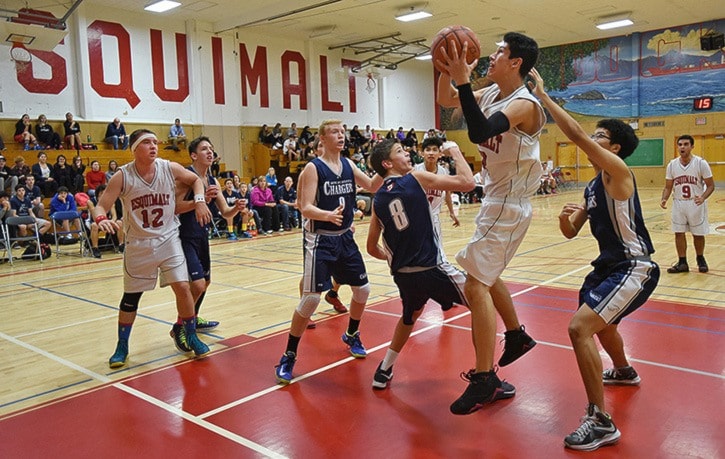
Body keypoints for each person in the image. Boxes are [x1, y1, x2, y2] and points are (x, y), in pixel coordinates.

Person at [530, 67, 661, 451]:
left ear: (614, 148)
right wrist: (563, 218)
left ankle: (601, 421)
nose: (592, 139)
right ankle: (623, 369)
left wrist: (544, 96)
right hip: (608, 267)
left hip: (635, 266)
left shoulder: (618, 172)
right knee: (602, 326)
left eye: (599, 136)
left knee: (578, 329)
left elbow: (574, 133)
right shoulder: (592, 186)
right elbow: (571, 232)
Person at [436, 32, 543, 413]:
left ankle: (484, 378)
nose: (492, 56)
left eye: (499, 52)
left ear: (515, 63)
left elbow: (480, 131)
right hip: (494, 201)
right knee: (487, 272)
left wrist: (464, 79)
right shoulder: (491, 94)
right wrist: (446, 66)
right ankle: (515, 336)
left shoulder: (523, 105)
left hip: (510, 204)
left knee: (474, 283)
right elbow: (447, 99)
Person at [366, 139, 508, 397]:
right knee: (482, 301)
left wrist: (396, 258)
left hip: (403, 275)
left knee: (410, 317)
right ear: (387, 164)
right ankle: (484, 378)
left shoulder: (377, 200)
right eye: (400, 151)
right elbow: (466, 183)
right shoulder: (416, 178)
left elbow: (371, 248)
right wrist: (454, 149)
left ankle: (384, 368)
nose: (406, 152)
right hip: (432, 269)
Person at [91, 129, 212, 368]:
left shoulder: (168, 167)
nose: (153, 146)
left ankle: (191, 335)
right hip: (138, 244)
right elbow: (100, 206)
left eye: (155, 142)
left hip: (168, 239)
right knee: (131, 298)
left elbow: (195, 180)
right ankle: (122, 345)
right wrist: (101, 219)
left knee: (183, 288)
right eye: (147, 142)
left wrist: (199, 201)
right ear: (134, 148)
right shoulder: (122, 176)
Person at [274, 119, 382, 385]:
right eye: (335, 131)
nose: (341, 135)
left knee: (363, 290)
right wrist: (327, 215)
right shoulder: (313, 168)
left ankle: (352, 334)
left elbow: (371, 185)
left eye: (343, 131)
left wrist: (385, 164)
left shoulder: (348, 164)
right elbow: (305, 207)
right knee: (310, 300)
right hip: (319, 239)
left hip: (344, 238)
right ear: (322, 138)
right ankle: (289, 355)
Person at [169, 136, 246, 352]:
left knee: (206, 282)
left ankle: (191, 318)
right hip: (185, 237)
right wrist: (198, 202)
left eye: (211, 149)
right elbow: (173, 207)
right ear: (194, 155)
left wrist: (237, 207)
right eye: (204, 149)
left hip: (203, 237)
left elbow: (225, 212)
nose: (210, 152)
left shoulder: (212, 181)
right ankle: (180, 326)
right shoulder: (186, 178)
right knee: (198, 285)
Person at [660, 134, 714, 274]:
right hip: (679, 203)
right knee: (678, 233)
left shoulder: (701, 163)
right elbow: (668, 186)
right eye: (680, 144)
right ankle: (682, 262)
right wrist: (664, 198)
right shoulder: (672, 165)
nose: (682, 147)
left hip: (695, 203)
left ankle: (700, 258)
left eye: (685, 144)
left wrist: (702, 197)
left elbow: (710, 186)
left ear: (692, 146)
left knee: (698, 234)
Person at [413, 137, 461, 257]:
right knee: (416, 250)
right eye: (428, 150)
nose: (431, 153)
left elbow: (448, 193)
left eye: (435, 150)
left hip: (434, 217)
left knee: (438, 250)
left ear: (440, 154)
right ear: (422, 153)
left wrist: (451, 212)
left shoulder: (443, 172)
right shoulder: (415, 170)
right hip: (416, 217)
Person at [86, 184, 124, 258]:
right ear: (97, 194)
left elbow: (114, 215)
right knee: (94, 225)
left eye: (105, 193)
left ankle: (121, 245)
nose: (104, 195)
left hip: (107, 221)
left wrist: (111, 222)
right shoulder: (90, 202)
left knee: (119, 223)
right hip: (94, 221)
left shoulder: (110, 201)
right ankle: (95, 248)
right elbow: (94, 217)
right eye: (102, 194)